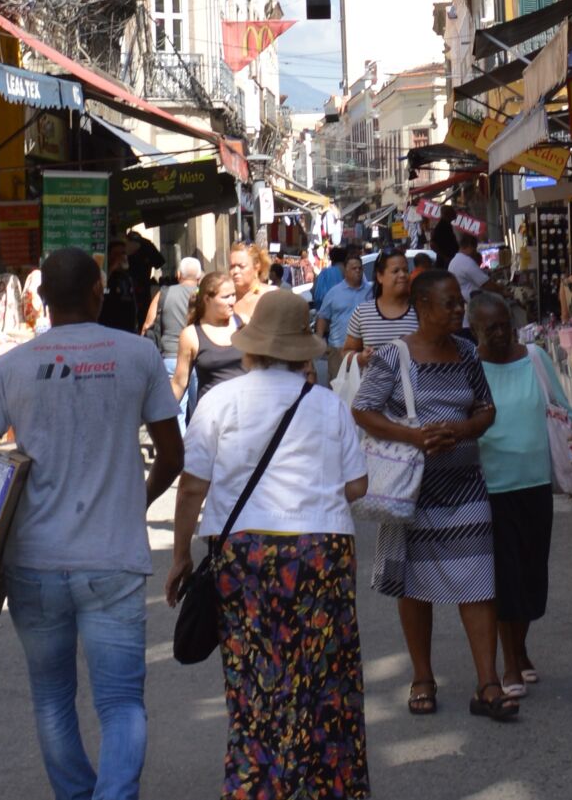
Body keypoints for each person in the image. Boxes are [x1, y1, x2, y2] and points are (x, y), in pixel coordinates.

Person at [0, 248, 183, 800]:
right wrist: (135, 501)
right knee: (120, 702)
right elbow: (172, 454)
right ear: (99, 291)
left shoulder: (8, 369)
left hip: (34, 561)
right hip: (112, 558)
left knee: (52, 697)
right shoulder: (139, 355)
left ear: (40, 301)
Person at [166, 291, 371, 796]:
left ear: (251, 349)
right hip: (321, 551)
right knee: (324, 678)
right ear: (303, 351)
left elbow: (192, 486)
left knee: (256, 679)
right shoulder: (326, 405)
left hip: (246, 555)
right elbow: (357, 486)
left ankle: (258, 784)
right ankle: (327, 786)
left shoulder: (218, 402)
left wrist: (179, 557)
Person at [352, 271, 516, 722]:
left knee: (480, 580)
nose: (459, 310)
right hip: (412, 491)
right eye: (449, 304)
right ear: (423, 307)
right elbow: (362, 409)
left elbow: (486, 408)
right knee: (416, 586)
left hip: (466, 485)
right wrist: (413, 435)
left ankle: (488, 683)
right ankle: (422, 676)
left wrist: (462, 429)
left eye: (459, 303)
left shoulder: (466, 353)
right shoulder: (393, 356)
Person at [467, 290, 572, 701]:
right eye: (491, 328)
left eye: (506, 325)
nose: (501, 334)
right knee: (505, 576)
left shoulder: (534, 357)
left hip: (534, 483)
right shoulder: (469, 368)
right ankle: (510, 661)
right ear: (475, 331)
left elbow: (564, 408)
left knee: (533, 573)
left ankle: (520, 647)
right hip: (490, 488)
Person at [174, 270, 244, 416]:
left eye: (233, 295)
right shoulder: (191, 335)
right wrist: (160, 416)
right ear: (207, 299)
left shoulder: (243, 324)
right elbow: (179, 383)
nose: (232, 301)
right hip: (211, 418)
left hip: (245, 415)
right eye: (225, 297)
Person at [142, 256, 203, 400]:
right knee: (199, 409)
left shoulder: (163, 293)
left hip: (171, 356)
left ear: (178, 274)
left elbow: (147, 325)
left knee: (174, 409)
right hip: (199, 357)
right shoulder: (205, 295)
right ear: (199, 277)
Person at [341, 250, 416, 365]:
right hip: (373, 382)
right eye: (396, 271)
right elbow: (346, 352)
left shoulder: (420, 310)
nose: (402, 275)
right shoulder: (363, 313)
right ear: (380, 276)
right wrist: (360, 358)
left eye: (405, 270)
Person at [314, 248, 367, 380]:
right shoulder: (334, 293)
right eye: (353, 268)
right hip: (338, 348)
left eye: (360, 268)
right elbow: (323, 316)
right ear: (345, 270)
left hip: (363, 349)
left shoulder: (371, 291)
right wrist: (320, 339)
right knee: (337, 387)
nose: (357, 271)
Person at [228, 242, 270, 323]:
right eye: (232, 267)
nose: (235, 271)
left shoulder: (271, 295)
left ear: (257, 266)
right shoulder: (225, 299)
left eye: (241, 266)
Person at [448, 229, 491, 299]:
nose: (475, 251)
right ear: (470, 246)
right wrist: (503, 290)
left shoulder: (455, 260)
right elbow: (486, 284)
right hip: (474, 300)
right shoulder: (466, 262)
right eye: (475, 248)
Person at [310, 242, 348, 312]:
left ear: (331, 259)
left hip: (325, 313)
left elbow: (314, 291)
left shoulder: (325, 273)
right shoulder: (350, 272)